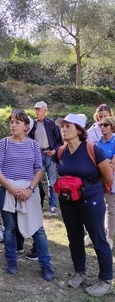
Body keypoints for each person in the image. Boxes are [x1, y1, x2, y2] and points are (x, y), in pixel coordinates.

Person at [0, 110, 54, 281]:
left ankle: (46, 265)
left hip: (29, 191)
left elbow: (39, 169)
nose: (13, 125)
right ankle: (11, 261)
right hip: (5, 190)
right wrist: (12, 189)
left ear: (27, 126)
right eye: (11, 122)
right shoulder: (3, 143)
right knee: (10, 228)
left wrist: (29, 189)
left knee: (37, 228)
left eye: (17, 122)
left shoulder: (33, 145)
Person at [54, 114, 113, 297]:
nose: (63, 129)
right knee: (74, 236)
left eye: (67, 126)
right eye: (62, 126)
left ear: (79, 130)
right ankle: (80, 271)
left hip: (91, 199)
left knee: (98, 237)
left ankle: (105, 280)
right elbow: (61, 172)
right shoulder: (61, 151)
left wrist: (89, 187)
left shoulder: (92, 150)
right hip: (68, 201)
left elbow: (108, 176)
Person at [29, 101, 63, 215]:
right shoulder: (32, 124)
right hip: (37, 155)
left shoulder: (52, 124)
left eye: (38, 109)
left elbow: (60, 141)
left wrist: (54, 151)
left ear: (45, 110)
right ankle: (36, 204)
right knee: (35, 181)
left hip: (49, 154)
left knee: (52, 181)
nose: (36, 111)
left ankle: (53, 205)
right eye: (35, 109)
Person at [96, 116, 115, 250]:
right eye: (101, 125)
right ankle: (97, 234)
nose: (102, 127)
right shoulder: (98, 143)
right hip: (97, 179)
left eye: (106, 125)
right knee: (98, 207)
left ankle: (110, 237)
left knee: (110, 208)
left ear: (112, 127)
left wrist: (103, 163)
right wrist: (106, 161)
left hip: (111, 179)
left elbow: (113, 165)